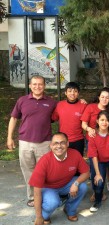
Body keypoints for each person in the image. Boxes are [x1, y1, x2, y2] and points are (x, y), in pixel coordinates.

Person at [7, 75, 57, 207]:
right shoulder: (22, 100)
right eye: (34, 84)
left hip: (44, 142)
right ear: (30, 86)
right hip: (25, 142)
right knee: (28, 170)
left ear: (44, 86)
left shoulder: (51, 102)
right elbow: (13, 118)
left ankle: (44, 195)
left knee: (44, 172)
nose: (37, 86)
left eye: (40, 84)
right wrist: (9, 137)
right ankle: (32, 197)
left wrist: (80, 101)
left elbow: (63, 110)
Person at [29, 132, 89, 225]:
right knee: (52, 202)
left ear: (67, 144)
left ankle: (70, 210)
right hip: (48, 187)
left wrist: (76, 183)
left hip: (66, 183)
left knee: (83, 186)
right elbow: (36, 192)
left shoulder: (75, 154)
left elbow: (86, 172)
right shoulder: (44, 161)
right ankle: (46, 215)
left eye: (62, 142)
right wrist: (39, 216)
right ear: (51, 145)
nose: (59, 146)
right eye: (55, 143)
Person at [81, 87, 109, 200]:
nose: (104, 99)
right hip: (92, 140)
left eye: (107, 97)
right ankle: (95, 192)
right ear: (98, 97)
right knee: (93, 166)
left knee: (103, 165)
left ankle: (101, 187)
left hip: (105, 142)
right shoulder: (90, 107)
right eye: (102, 97)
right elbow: (83, 124)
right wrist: (89, 129)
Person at [52, 82, 87, 156]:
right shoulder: (60, 105)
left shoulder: (83, 105)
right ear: (65, 93)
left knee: (77, 162)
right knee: (63, 162)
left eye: (75, 91)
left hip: (78, 140)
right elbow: (53, 118)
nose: (72, 93)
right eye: (70, 91)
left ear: (78, 93)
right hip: (63, 139)